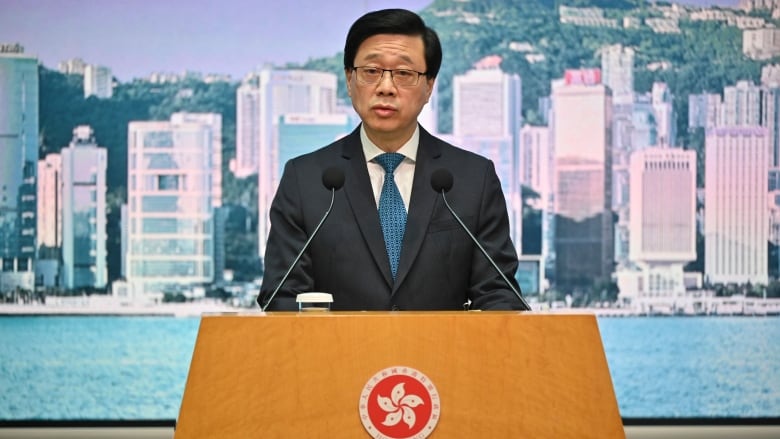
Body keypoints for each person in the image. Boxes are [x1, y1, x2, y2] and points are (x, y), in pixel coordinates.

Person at [258, 8, 528, 311]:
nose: (386, 87)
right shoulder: (306, 180)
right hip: (337, 357)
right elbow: (282, 296)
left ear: (428, 86)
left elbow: (499, 294)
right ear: (349, 79)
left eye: (404, 73)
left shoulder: (472, 179)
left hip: (442, 356)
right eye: (371, 72)